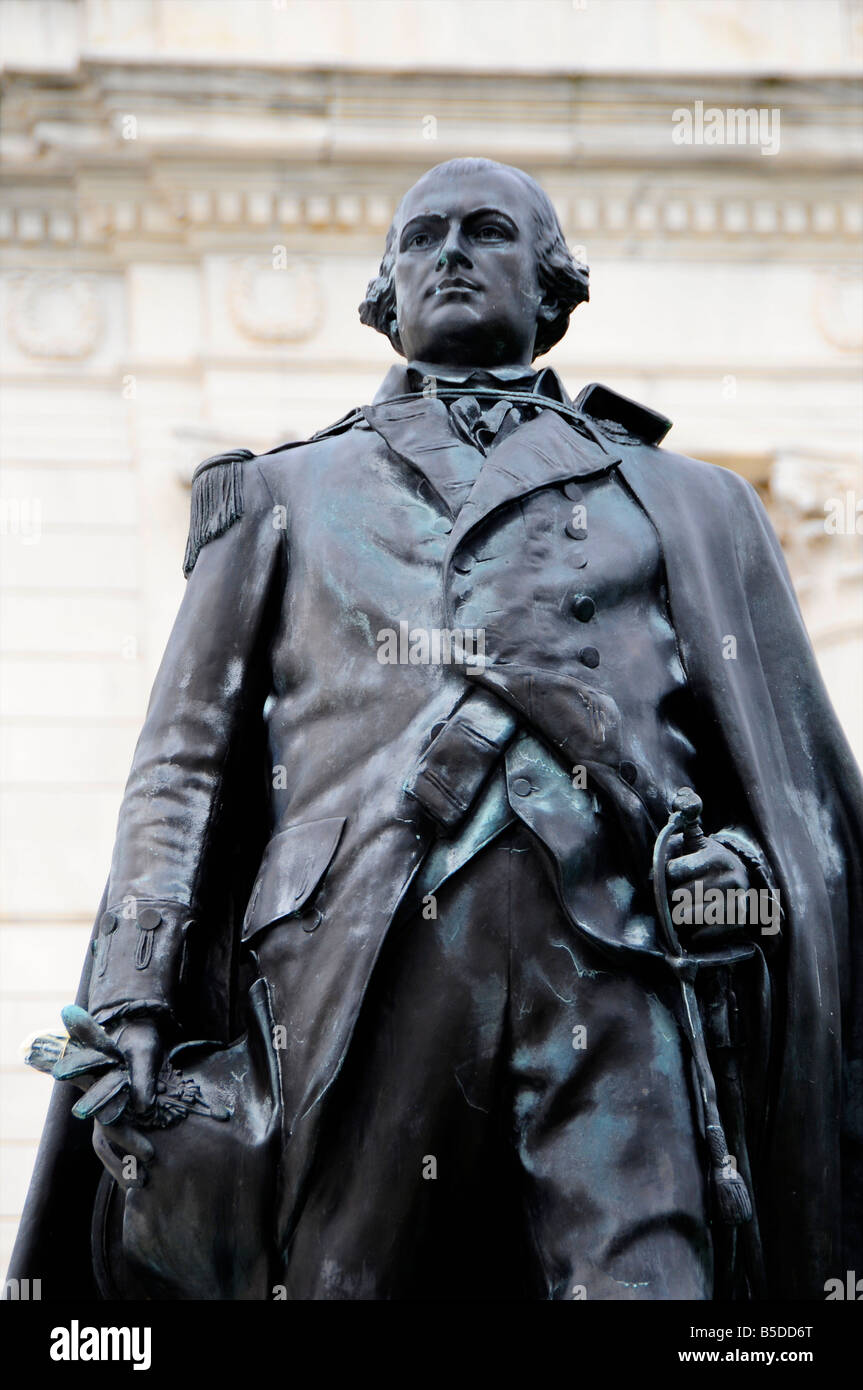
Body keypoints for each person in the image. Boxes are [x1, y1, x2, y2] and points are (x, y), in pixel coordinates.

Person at [9, 158, 862, 1301]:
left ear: (553, 286)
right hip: (356, 962)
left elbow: (784, 789)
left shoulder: (691, 502)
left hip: (615, 972)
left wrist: (740, 879)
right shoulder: (278, 495)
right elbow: (183, 757)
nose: (449, 252)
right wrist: (136, 991)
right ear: (385, 291)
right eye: (421, 237)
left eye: (486, 231)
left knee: (658, 1284)